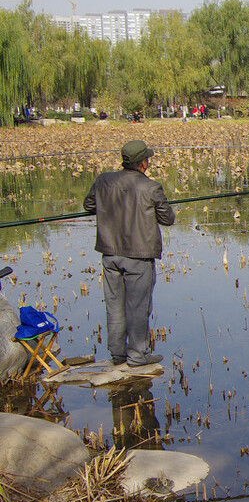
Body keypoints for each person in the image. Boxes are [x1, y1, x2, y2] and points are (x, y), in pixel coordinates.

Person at [83, 140, 175, 367]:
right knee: (138, 308)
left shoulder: (103, 180)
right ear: (143, 162)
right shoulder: (151, 187)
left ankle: (118, 354)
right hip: (139, 256)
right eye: (148, 159)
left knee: (114, 306)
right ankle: (137, 356)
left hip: (110, 254)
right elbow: (168, 219)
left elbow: (89, 205)